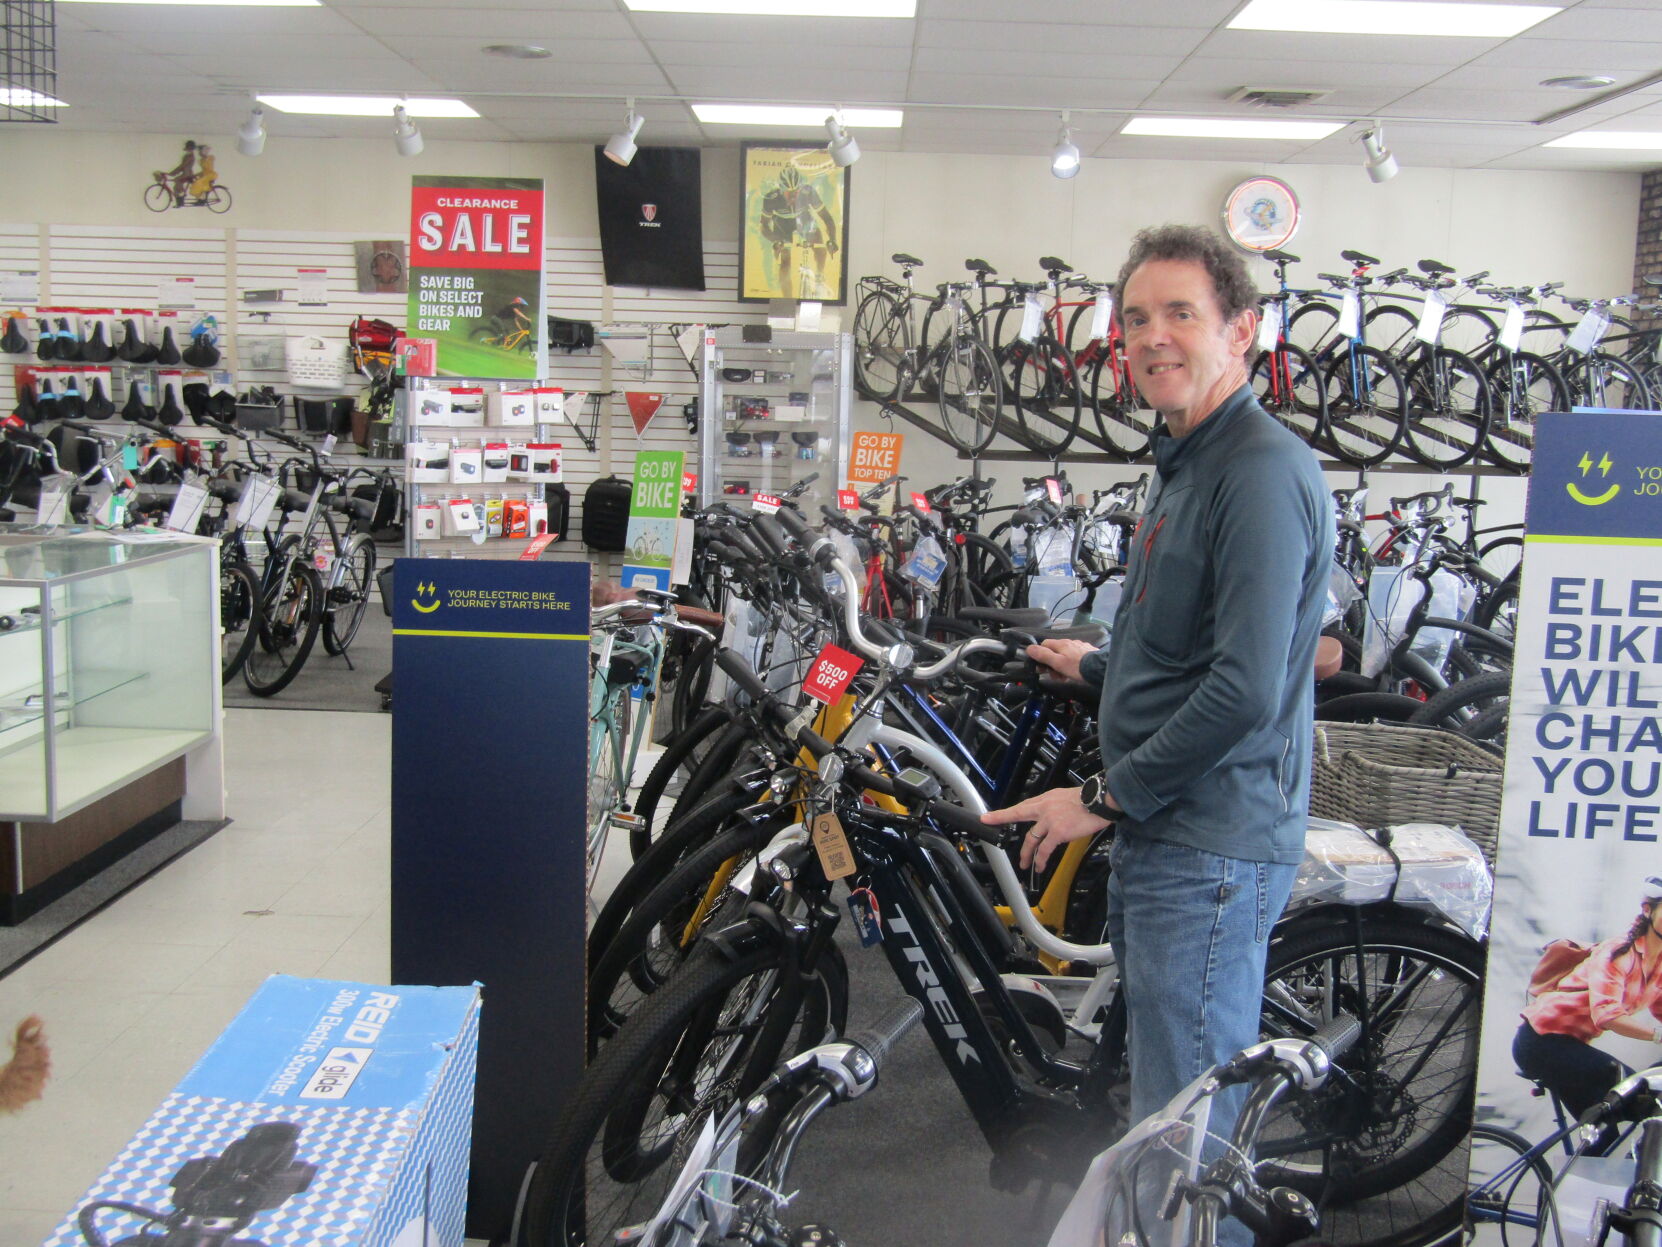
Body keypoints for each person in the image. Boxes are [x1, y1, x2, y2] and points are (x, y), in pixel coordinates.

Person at [981, 225, 1332, 1161]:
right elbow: (1185, 644)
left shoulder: (1257, 473)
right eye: (1136, 318)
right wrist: (1096, 668)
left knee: (1190, 1130)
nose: (1152, 337)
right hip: (1170, 831)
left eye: (1181, 313)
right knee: (1167, 1105)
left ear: (1241, 330)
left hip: (1207, 841)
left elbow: (1245, 690)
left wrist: (1099, 797)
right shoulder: (1186, 458)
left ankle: (1192, 1227)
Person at [1515, 876, 1662, 1120]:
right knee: (1639, 1093)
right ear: (1648, 910)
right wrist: (1657, 1035)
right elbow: (1607, 1015)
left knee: (1607, 1133)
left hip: (1571, 1047)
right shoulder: (1619, 952)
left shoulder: (1658, 966)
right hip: (1541, 1043)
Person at [756, 165, 838, 299]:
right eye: (789, 193)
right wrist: (775, 240)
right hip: (783, 225)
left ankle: (819, 276)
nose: (793, 196)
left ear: (801, 188)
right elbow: (764, 226)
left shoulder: (808, 192)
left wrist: (833, 240)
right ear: (781, 190)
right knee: (785, 263)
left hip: (804, 221)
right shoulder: (771, 198)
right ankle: (787, 300)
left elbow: (827, 218)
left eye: (796, 192)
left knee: (820, 247)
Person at [166, 140, 198, 206]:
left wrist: (172, 173)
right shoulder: (186, 156)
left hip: (188, 174)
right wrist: (173, 173)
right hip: (185, 173)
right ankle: (180, 201)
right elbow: (181, 167)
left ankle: (181, 195)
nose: (189, 150)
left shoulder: (190, 157)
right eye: (188, 149)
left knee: (177, 180)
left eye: (190, 149)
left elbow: (182, 166)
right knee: (176, 186)